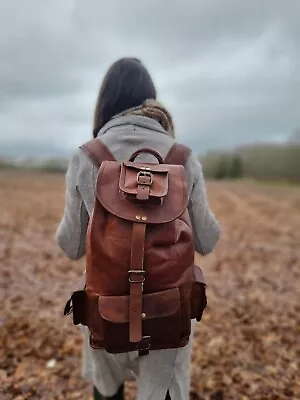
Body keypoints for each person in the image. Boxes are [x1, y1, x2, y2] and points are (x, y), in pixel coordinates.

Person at [56, 57, 220, 400]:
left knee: (106, 389)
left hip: (105, 308)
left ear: (105, 104)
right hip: (169, 309)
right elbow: (208, 239)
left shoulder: (86, 156)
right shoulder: (182, 156)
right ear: (151, 100)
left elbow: (70, 245)